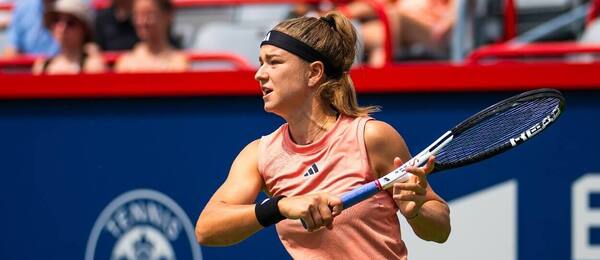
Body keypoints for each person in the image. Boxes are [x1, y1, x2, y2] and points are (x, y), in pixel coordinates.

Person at [195, 11, 450, 259]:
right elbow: (207, 229)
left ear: (314, 73)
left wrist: (416, 212)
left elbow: (440, 230)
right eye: (261, 62)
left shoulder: (371, 137)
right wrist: (280, 206)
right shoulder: (259, 155)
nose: (259, 74)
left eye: (274, 62)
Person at [32, 0, 106, 74]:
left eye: (71, 22)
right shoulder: (41, 66)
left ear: (84, 29)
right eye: (56, 20)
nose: (62, 28)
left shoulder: (93, 66)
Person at [114, 0, 188, 73]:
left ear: (167, 16)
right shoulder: (126, 63)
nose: (143, 21)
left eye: (149, 14)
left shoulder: (179, 63)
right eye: (137, 15)